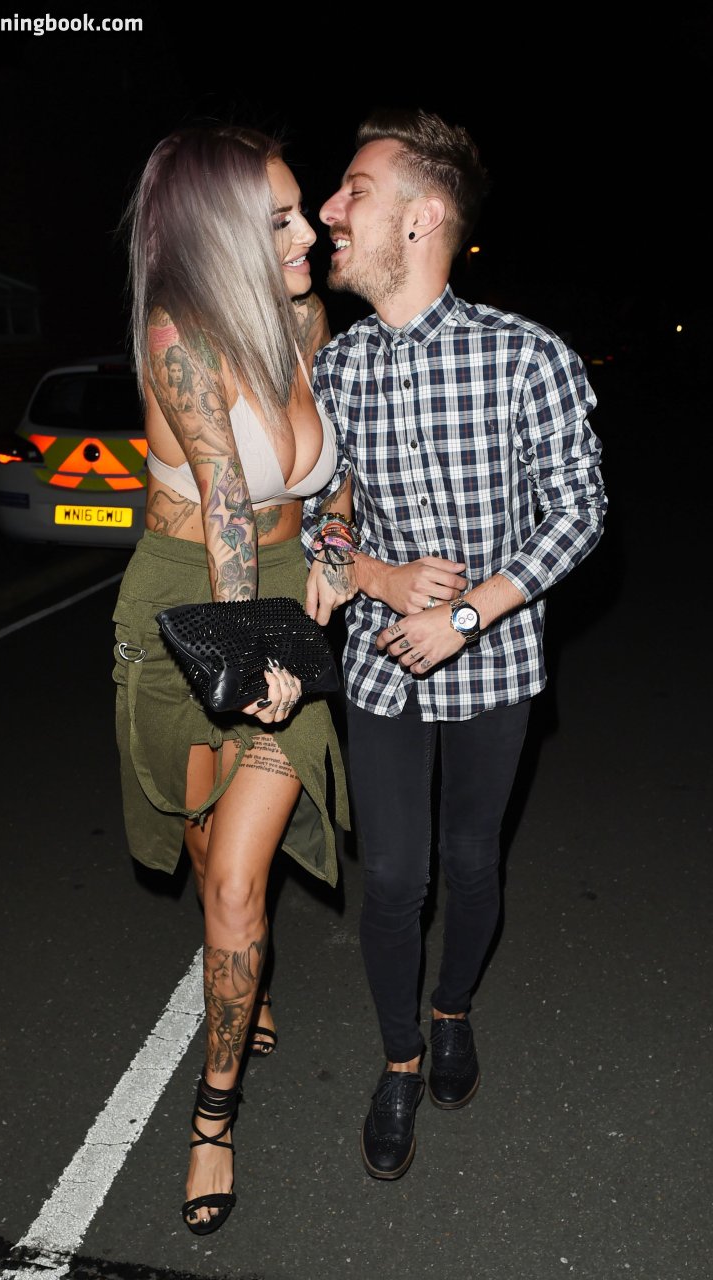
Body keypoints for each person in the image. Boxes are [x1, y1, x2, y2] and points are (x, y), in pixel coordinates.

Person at [304, 107, 608, 1180]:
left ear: (422, 217)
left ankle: (451, 1011)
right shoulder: (336, 370)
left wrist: (470, 610)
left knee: (472, 860)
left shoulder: (525, 356)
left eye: (354, 190)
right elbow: (324, 511)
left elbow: (580, 509)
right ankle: (397, 1063)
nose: (330, 210)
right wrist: (372, 574)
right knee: (393, 879)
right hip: (381, 662)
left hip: (497, 661)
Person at [113, 124, 350, 1234]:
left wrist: (336, 547)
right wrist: (244, 653)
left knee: (238, 885)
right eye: (281, 220)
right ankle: (241, 980)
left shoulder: (304, 320)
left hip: (281, 596)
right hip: (184, 608)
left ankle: (212, 1118)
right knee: (207, 849)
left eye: (302, 212)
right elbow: (221, 508)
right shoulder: (180, 335)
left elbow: (330, 480)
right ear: (219, 234)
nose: (308, 234)